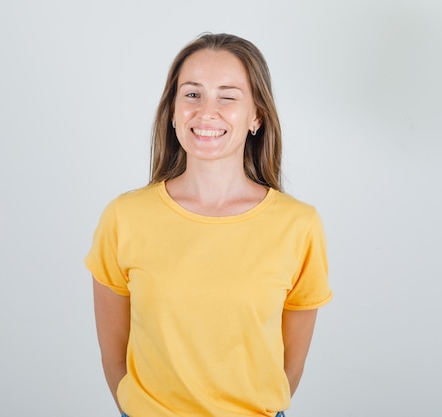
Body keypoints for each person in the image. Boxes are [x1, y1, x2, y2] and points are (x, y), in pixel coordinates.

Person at [85, 33, 332, 417]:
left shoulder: (298, 225)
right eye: (192, 94)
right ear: (171, 110)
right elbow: (113, 353)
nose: (206, 111)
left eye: (228, 96)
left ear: (257, 116)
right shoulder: (124, 217)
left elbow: (289, 367)